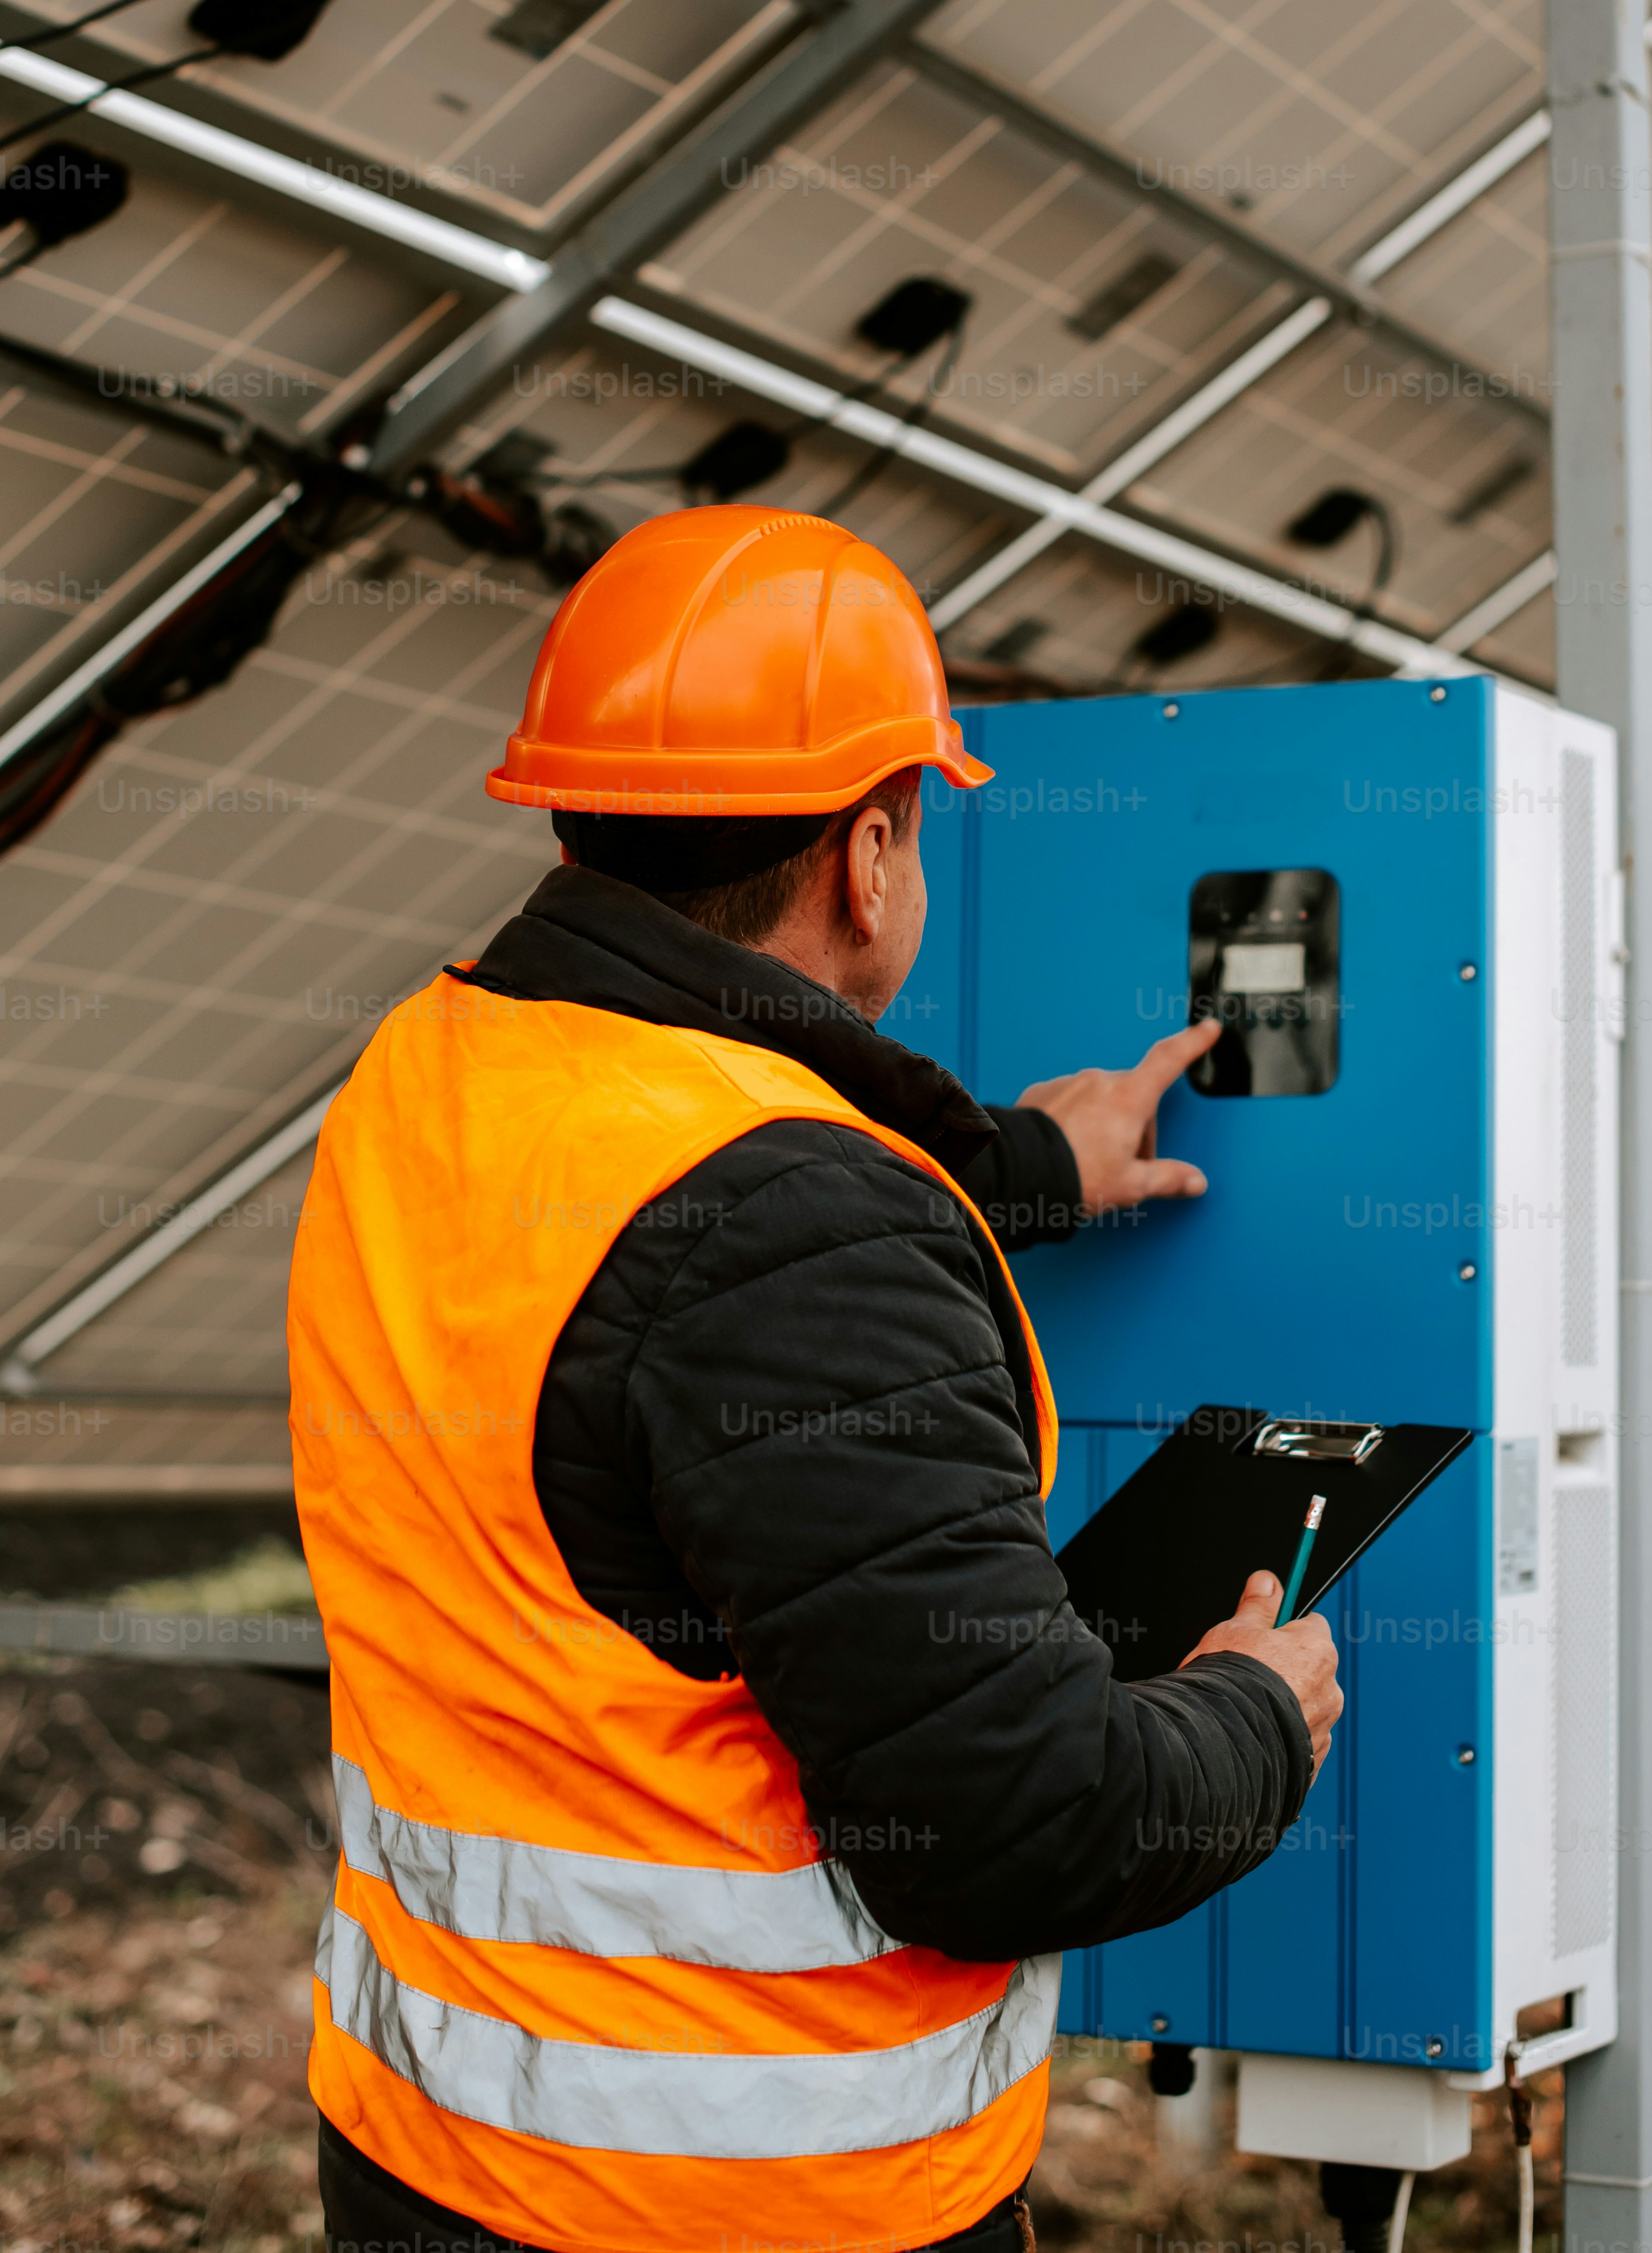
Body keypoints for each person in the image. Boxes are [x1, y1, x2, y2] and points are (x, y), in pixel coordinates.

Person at [291, 505, 1342, 2253]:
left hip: (431, 2147)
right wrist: (1250, 1717)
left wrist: (1006, 1167)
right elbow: (1010, 1827)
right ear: (869, 854)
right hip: (743, 2192)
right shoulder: (796, 1228)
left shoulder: (432, 1068)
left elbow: (647, 1267)